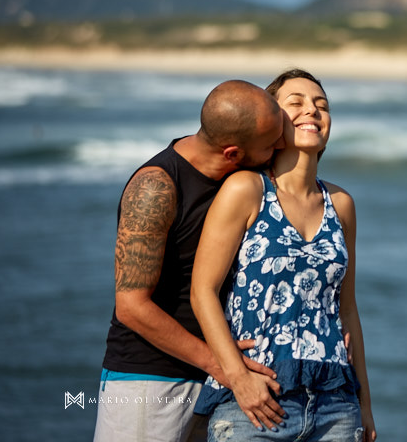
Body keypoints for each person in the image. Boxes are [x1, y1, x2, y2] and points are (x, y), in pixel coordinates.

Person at [94, 80, 288, 442]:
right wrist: (225, 367)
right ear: (232, 152)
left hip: (220, 380)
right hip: (151, 382)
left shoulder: (242, 180)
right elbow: (131, 307)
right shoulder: (156, 187)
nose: (280, 146)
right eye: (271, 143)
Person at [191, 68, 377, 441]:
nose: (312, 110)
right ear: (272, 122)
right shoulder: (247, 190)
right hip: (257, 403)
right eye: (296, 103)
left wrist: (365, 405)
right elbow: (203, 291)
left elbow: (347, 310)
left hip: (335, 406)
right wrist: (238, 378)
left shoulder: (341, 204)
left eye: (321, 105)